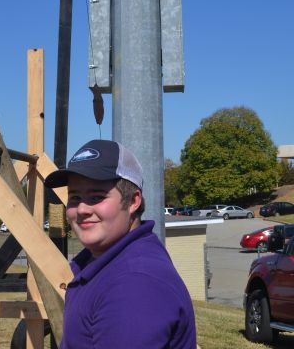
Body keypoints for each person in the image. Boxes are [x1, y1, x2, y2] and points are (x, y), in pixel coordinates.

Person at [44, 139, 196, 348]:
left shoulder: (135, 285)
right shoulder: (104, 262)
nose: (81, 209)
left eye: (97, 197)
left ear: (133, 201)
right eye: (75, 197)